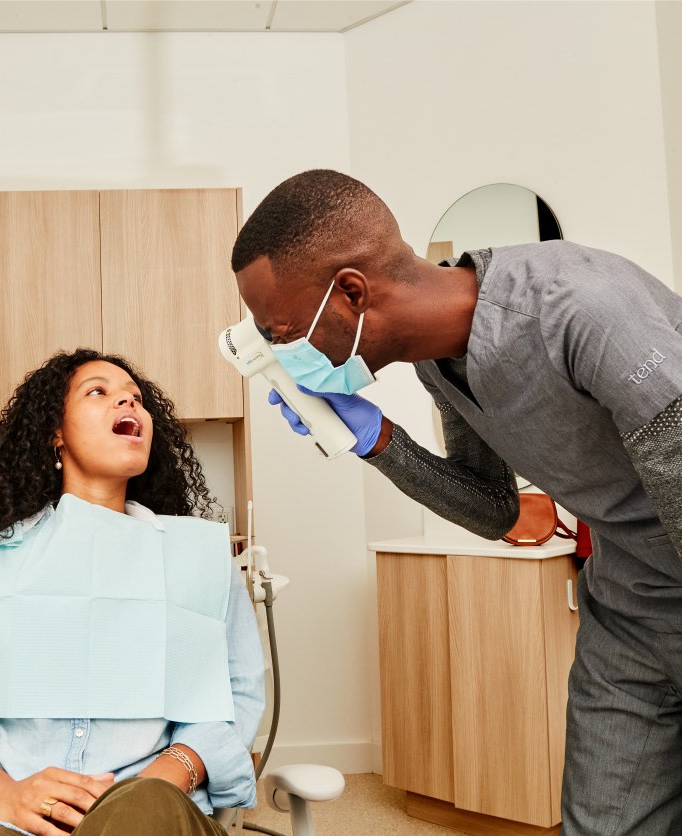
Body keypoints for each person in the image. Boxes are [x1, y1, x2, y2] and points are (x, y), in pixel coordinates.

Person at [231, 169, 682, 836]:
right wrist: (379, 440)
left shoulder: (582, 307)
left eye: (283, 331)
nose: (282, 353)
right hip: (630, 610)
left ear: (351, 292)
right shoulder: (437, 360)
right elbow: (494, 508)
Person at [0, 348, 265, 836]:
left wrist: (162, 779)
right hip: (4, 808)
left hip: (150, 804)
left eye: (136, 399)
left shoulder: (198, 557)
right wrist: (0, 793)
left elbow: (233, 695)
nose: (128, 405)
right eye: (100, 392)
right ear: (56, 431)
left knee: (142, 811)